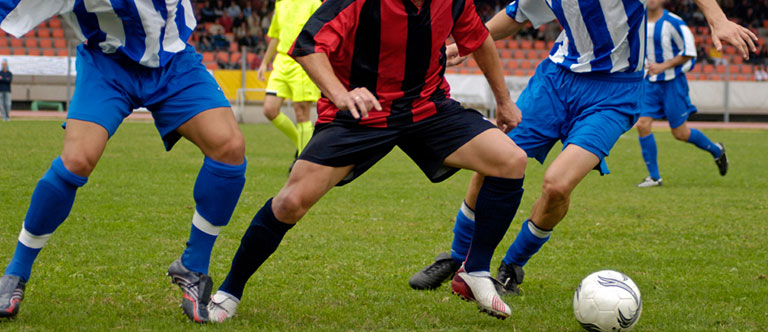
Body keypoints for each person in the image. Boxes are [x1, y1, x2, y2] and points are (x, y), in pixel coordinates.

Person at [207, 0, 528, 322]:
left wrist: (503, 101)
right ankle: (229, 291)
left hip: (426, 109)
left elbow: (480, 39)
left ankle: (475, 270)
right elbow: (307, 45)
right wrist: (339, 94)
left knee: (511, 160)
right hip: (361, 116)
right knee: (290, 202)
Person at [409, 0, 757, 296]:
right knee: (493, 161)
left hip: (614, 93)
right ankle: (458, 257)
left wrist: (718, 19)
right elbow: (517, 15)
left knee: (557, 185)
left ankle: (512, 266)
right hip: (556, 81)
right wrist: (464, 44)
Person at [0, 1, 247, 324]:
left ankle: (194, 267)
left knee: (229, 148)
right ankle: (15, 273)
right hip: (108, 64)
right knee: (77, 160)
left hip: (173, 62)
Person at [636, 0, 728, 188]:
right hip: (649, 83)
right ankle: (654, 177)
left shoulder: (674, 23)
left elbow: (689, 52)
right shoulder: (637, 21)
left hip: (673, 83)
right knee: (642, 124)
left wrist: (663, 66)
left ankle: (716, 150)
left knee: (680, 133)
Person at [257, 0, 321, 163]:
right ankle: (302, 145)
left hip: (302, 61)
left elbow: (320, 34)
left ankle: (304, 160)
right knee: (270, 109)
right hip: (281, 62)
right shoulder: (281, 3)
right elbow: (276, 36)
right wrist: (264, 63)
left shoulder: (313, 3)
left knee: (301, 113)